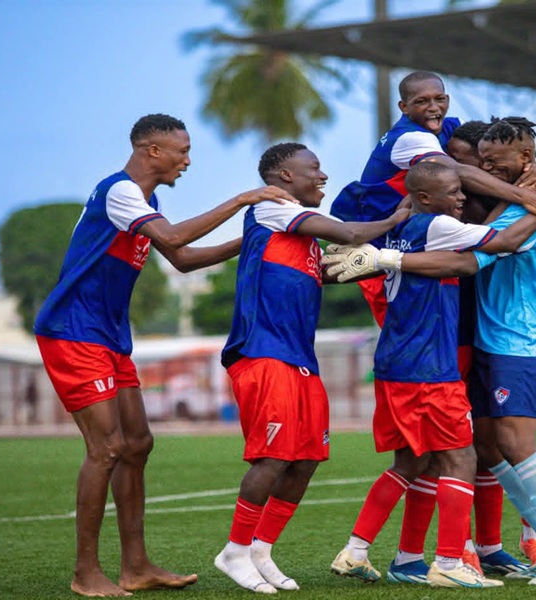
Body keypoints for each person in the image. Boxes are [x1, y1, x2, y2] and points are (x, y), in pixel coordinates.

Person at [33, 113, 298, 598]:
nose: (188, 160)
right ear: (151, 150)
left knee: (137, 445)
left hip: (108, 336)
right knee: (107, 448)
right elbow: (175, 238)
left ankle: (136, 568)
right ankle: (85, 573)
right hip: (72, 331)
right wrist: (244, 199)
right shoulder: (120, 192)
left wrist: (256, 238)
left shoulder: (144, 200)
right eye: (182, 150)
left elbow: (181, 260)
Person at [329, 117, 536, 586]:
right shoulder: (500, 203)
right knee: (482, 448)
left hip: (522, 333)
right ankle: (519, 551)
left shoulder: (524, 203)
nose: (484, 170)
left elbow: (475, 257)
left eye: (494, 162)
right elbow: (483, 239)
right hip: (476, 339)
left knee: (496, 446)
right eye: (482, 162)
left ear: (525, 159)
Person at [212, 142, 411, 593]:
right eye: (313, 168)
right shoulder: (274, 208)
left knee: (305, 460)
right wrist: (395, 220)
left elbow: (332, 265)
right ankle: (235, 550)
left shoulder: (300, 237)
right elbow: (349, 235)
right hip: (263, 353)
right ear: (283, 176)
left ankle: (262, 549)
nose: (323, 176)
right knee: (274, 456)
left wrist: (374, 267)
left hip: (299, 358)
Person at [330, 71, 536, 326]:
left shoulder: (450, 128)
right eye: (422, 102)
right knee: (414, 339)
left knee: (455, 341)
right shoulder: (409, 137)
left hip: (431, 248)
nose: (434, 108)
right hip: (386, 256)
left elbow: (507, 152)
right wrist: (527, 196)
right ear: (403, 107)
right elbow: (456, 171)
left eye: (439, 99)